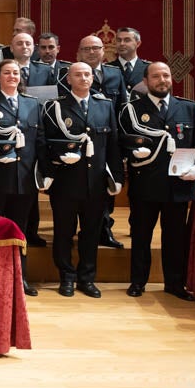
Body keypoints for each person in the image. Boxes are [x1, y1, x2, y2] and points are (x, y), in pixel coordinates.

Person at [118, 61, 195, 299]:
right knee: (141, 237)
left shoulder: (187, 108)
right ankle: (138, 282)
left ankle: (174, 284)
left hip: (179, 186)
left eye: (166, 76)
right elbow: (122, 144)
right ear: (146, 81)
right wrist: (131, 155)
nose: (163, 80)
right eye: (156, 76)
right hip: (146, 185)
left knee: (175, 239)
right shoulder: (134, 110)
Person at [42, 62, 123, 298]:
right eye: (78, 75)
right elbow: (45, 143)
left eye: (87, 74)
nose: (84, 78)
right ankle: (66, 277)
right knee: (64, 233)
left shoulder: (104, 106)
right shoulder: (55, 107)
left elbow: (113, 146)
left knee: (91, 233)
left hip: (95, 183)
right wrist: (56, 161)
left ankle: (87, 278)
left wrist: (117, 177)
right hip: (65, 182)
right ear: (68, 79)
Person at [0, 59, 44, 296]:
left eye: (16, 73)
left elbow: (40, 141)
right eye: (7, 73)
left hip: (23, 179)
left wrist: (43, 174)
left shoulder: (32, 104)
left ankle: (20, 278)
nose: (12, 76)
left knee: (20, 230)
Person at [78, 34, 128, 250]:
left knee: (107, 189)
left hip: (108, 140)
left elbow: (123, 108)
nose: (91, 52)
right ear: (79, 52)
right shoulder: (69, 74)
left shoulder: (115, 75)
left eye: (95, 48)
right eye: (86, 48)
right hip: (80, 141)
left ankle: (105, 230)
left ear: (103, 51)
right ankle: (84, 231)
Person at [107, 26, 149, 94]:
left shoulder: (149, 68)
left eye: (127, 40)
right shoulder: (107, 69)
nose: (122, 43)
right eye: (118, 40)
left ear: (138, 43)